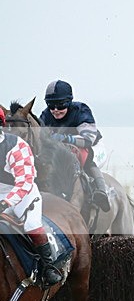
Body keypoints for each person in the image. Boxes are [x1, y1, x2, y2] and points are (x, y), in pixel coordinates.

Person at [0, 109, 62, 286]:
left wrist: (6, 202)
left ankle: (49, 267)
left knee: (32, 226)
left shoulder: (16, 146)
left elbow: (24, 182)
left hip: (23, 194)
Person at [40, 80, 111, 212]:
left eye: (60, 105)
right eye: (51, 104)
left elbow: (88, 139)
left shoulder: (81, 110)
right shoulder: (45, 115)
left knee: (86, 158)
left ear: (68, 102)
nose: (55, 110)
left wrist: (66, 138)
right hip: (65, 151)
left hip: (93, 148)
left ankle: (101, 192)